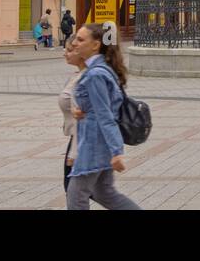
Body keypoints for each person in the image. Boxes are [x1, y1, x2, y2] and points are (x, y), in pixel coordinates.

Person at [66, 23, 141, 210]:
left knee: (76, 196)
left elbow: (106, 115)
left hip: (94, 144)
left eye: (81, 39)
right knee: (104, 193)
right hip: (97, 141)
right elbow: (101, 106)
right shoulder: (102, 69)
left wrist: (117, 151)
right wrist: (83, 110)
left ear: (95, 45)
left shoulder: (96, 74)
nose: (74, 43)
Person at [60, 36, 86, 192]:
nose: (65, 53)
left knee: (73, 190)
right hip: (78, 139)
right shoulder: (79, 75)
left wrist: (74, 152)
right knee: (102, 193)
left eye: (70, 50)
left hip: (83, 141)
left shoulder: (85, 79)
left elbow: (83, 118)